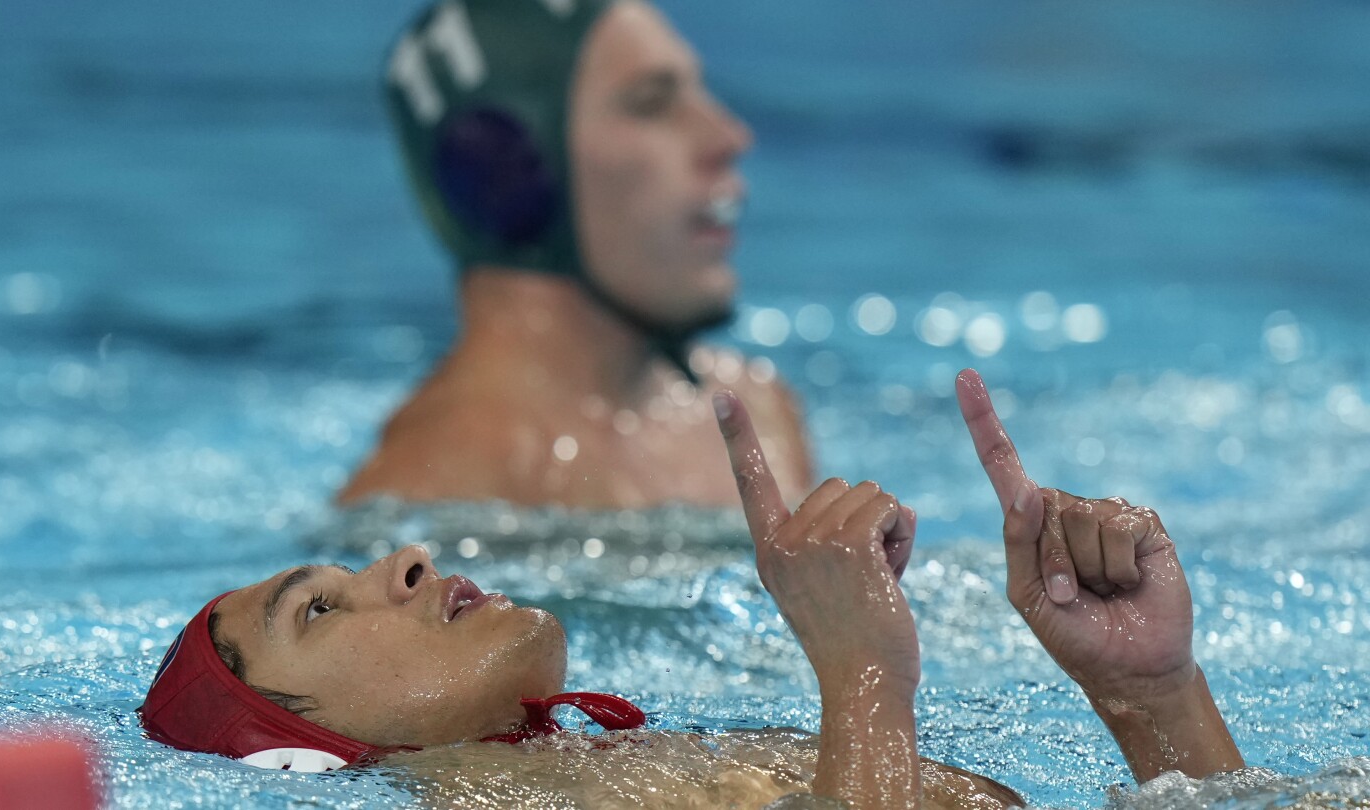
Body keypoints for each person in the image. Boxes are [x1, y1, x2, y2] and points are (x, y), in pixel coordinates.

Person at [142, 375, 1242, 807]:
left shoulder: (607, 774)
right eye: (320, 610)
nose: (407, 562)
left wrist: (1150, 699)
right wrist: (861, 675)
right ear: (293, 750)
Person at [337, 0, 814, 510]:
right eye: (651, 102)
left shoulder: (757, 413)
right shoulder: (426, 495)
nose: (729, 136)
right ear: (505, 170)